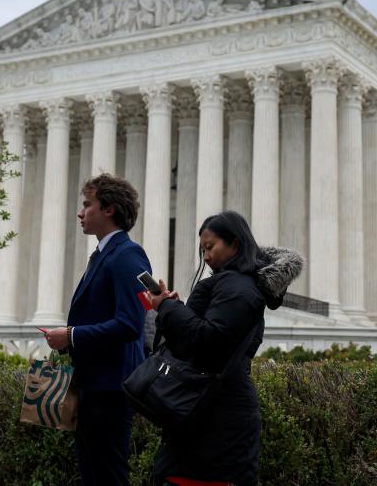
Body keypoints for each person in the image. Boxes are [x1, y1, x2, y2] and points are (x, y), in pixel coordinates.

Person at [146, 211, 302, 486]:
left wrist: (168, 308)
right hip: (212, 408)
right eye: (202, 249)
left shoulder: (238, 287)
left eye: (211, 247)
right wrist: (172, 308)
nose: (205, 256)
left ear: (235, 244)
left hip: (218, 414)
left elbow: (209, 341)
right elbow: (205, 333)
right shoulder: (233, 284)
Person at [43, 173, 151, 486]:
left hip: (111, 389)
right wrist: (67, 341)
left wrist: (71, 335)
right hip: (93, 386)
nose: (81, 212)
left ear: (109, 210)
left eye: (87, 205)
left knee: (108, 476)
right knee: (93, 475)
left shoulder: (127, 254)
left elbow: (130, 324)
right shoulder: (104, 256)